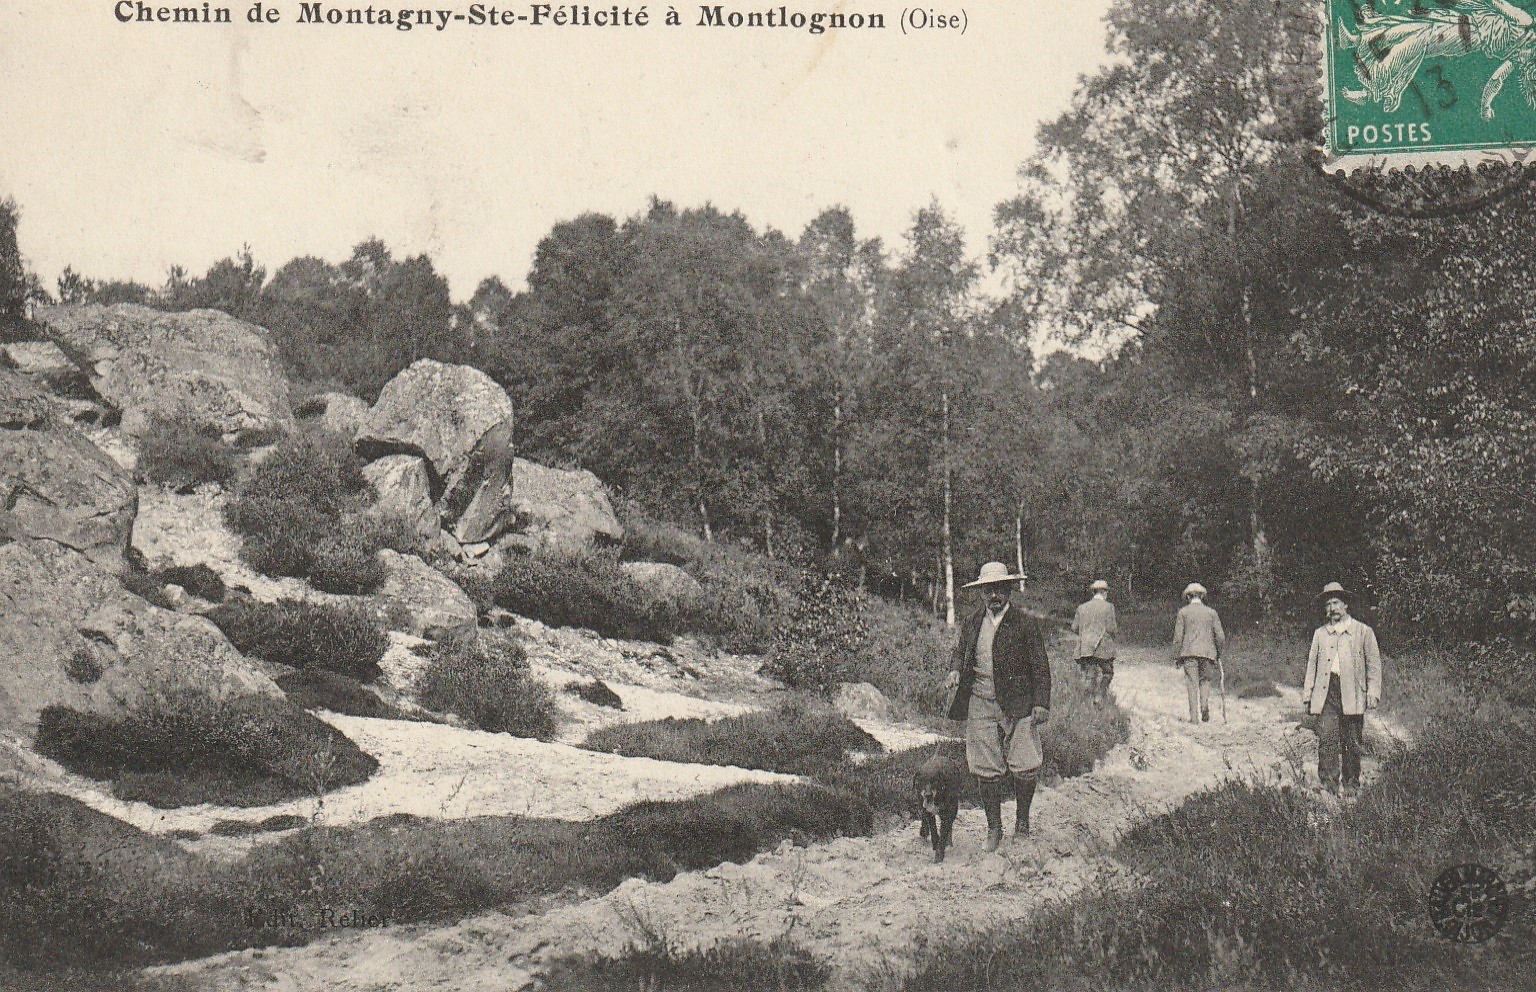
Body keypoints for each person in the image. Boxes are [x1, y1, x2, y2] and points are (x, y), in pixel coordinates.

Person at [944, 562, 1052, 852]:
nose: (994, 595)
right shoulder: (972, 622)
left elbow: (1040, 666)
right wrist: (955, 670)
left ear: (1008, 590)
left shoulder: (1025, 623)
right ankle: (994, 829)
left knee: (1025, 765)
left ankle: (1023, 823)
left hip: (1018, 702)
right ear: (981, 592)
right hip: (979, 699)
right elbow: (960, 652)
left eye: (999, 589)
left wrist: (1041, 703)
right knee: (985, 767)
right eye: (988, 590)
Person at [1301, 582, 1382, 798]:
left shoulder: (1363, 632)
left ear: (1345, 605)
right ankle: (1329, 785)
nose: (1332, 608)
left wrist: (1373, 692)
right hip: (1326, 692)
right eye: (1328, 605)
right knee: (1327, 738)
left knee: (1351, 741)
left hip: (1353, 692)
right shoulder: (1320, 634)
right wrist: (1308, 695)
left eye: (1336, 603)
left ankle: (1351, 784)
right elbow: (1312, 665)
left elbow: (1373, 664)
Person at [1172, 582, 1224, 723]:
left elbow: (1178, 638)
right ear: (1202, 596)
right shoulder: (1211, 613)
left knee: (1192, 684)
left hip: (1189, 653)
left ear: (1188, 596)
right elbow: (1220, 636)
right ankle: (1204, 706)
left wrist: (1176, 656)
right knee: (1205, 681)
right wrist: (1218, 653)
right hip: (1208, 653)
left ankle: (1194, 718)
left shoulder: (1183, 612)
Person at [1072, 579, 1118, 703]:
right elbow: (1112, 628)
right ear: (1104, 593)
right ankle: (1099, 696)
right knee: (1108, 672)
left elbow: (1074, 628)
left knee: (1089, 674)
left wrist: (1085, 636)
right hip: (1102, 647)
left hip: (1086, 647)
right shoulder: (1109, 607)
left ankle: (1087, 700)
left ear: (1093, 593)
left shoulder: (1082, 607)